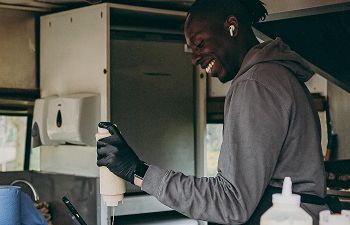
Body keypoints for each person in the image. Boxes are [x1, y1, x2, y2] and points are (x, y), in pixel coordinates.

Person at [96, 0, 329, 224]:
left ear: (232, 27)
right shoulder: (276, 76)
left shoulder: (255, 84)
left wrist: (138, 171)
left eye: (199, 44)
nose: (195, 58)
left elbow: (232, 202)